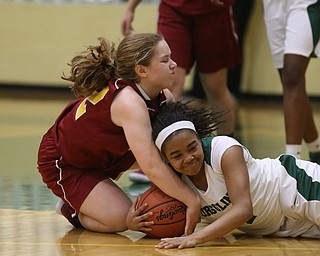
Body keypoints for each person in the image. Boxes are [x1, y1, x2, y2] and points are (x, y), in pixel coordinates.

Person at [37, 33, 200, 235]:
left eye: (171, 57)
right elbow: (150, 165)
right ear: (141, 71)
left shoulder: (163, 96)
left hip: (105, 156)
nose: (174, 65)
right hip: (65, 161)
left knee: (172, 150)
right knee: (122, 219)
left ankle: (88, 196)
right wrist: (191, 198)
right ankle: (72, 209)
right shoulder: (129, 102)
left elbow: (183, 143)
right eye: (165, 60)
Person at [129, 100, 320, 248]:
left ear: (199, 139)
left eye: (192, 147)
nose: (188, 158)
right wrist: (132, 222)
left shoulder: (224, 150)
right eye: (177, 155)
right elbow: (154, 210)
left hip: (298, 188)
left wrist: (195, 238)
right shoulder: (173, 179)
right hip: (288, 228)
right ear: (166, 159)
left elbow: (244, 209)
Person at [121, 0, 241, 183]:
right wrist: (131, 7)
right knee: (171, 83)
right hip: (174, 8)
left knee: (215, 86)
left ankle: (229, 151)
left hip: (214, 10)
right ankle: (157, 159)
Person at [262, 0, 320, 163]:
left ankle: (292, 162)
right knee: (291, 84)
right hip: (271, 5)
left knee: (292, 74)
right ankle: (316, 149)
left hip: (304, 2)